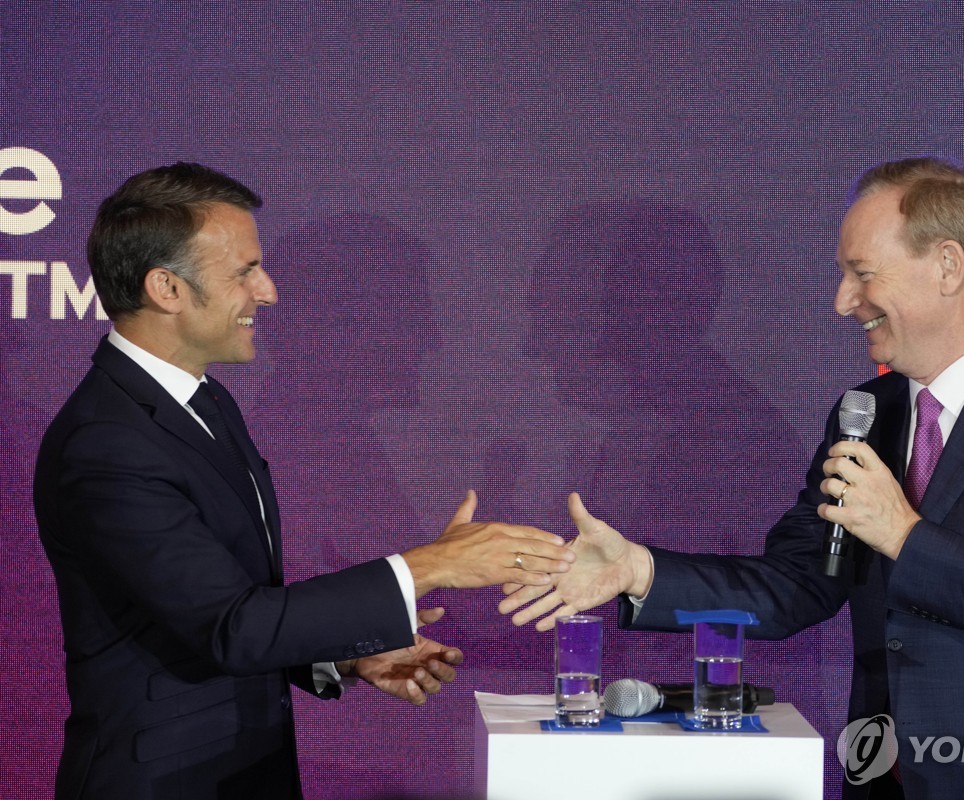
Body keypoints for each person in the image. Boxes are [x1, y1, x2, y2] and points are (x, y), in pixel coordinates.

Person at [502, 157, 964, 799]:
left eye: (862, 274)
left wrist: (903, 535)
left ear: (948, 266)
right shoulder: (865, 414)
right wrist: (637, 571)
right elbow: (798, 583)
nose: (842, 302)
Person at [34, 162, 574, 800]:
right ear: (167, 288)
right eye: (244, 272)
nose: (267, 292)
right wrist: (434, 565)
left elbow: (211, 607)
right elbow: (230, 627)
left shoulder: (205, 403)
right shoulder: (107, 442)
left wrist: (342, 654)